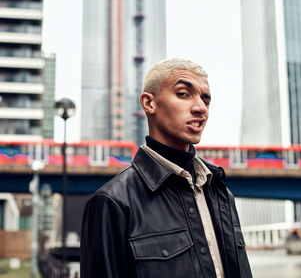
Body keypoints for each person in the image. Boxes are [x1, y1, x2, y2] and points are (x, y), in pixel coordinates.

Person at [80, 58, 252, 278]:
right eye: (183, 94)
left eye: (206, 99)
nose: (200, 108)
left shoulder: (221, 193)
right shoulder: (112, 202)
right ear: (149, 103)